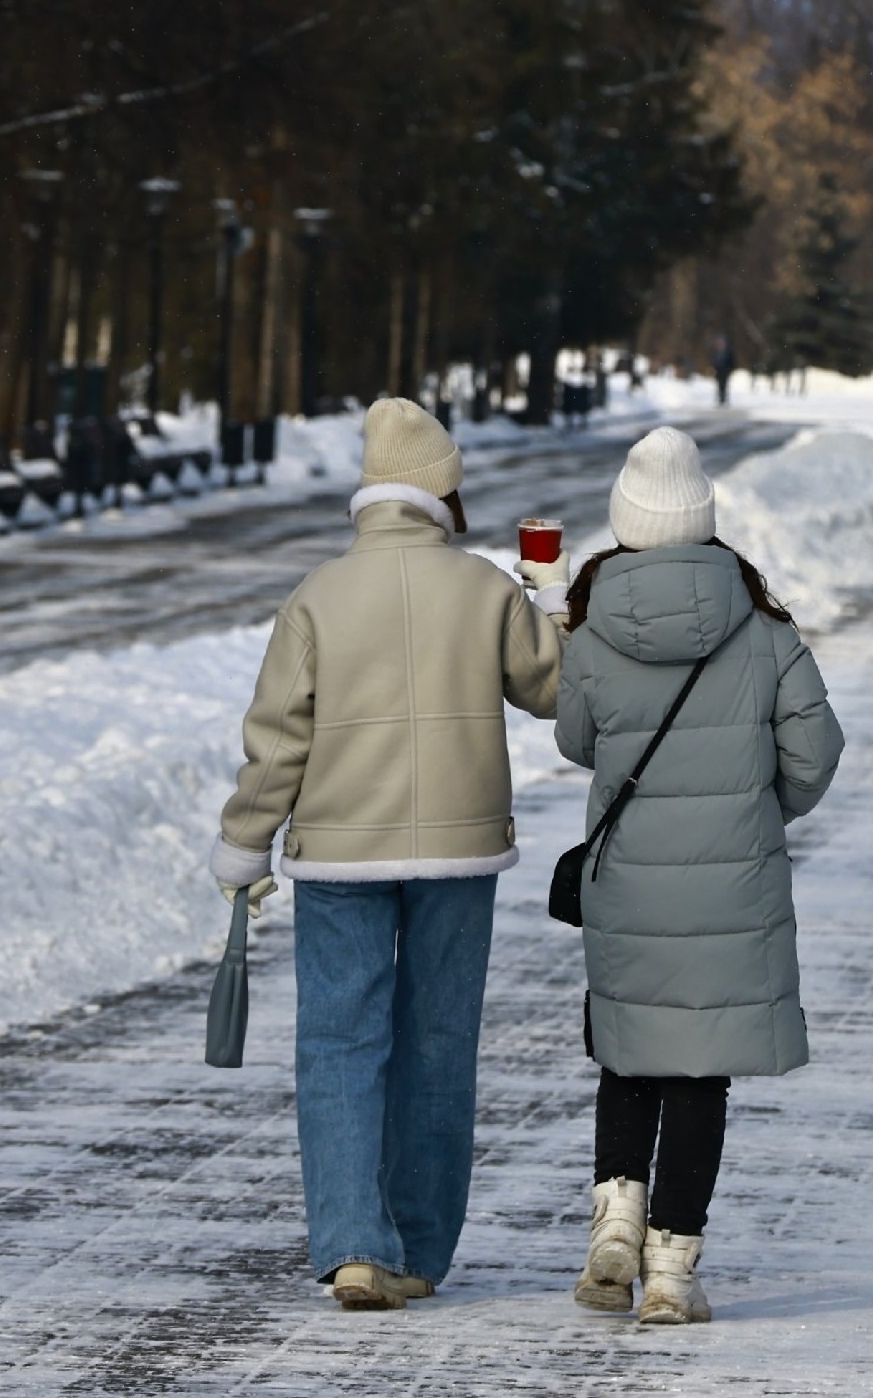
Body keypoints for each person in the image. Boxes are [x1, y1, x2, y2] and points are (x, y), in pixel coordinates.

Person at [209, 398, 571, 1312]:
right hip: (460, 851)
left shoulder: (317, 597)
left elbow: (278, 739)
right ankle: (416, 1246)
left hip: (338, 852)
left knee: (339, 1042)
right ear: (441, 496)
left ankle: (352, 1245)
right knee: (438, 1045)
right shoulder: (485, 588)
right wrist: (550, 598)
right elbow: (558, 690)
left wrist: (245, 841)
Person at [553, 427, 844, 1326]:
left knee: (629, 1054)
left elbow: (574, 741)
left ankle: (614, 1221)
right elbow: (817, 748)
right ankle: (672, 1270)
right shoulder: (762, 627)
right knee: (699, 1075)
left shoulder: (596, 625)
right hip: (731, 886)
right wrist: (757, 810)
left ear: (628, 524)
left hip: (629, 880)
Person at [710, 334, 737, 407]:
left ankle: (724, 399)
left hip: (725, 370)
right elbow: (713, 362)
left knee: (724, 385)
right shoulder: (716, 352)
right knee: (719, 385)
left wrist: (730, 369)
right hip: (718, 371)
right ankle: (720, 399)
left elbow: (731, 362)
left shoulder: (727, 352)